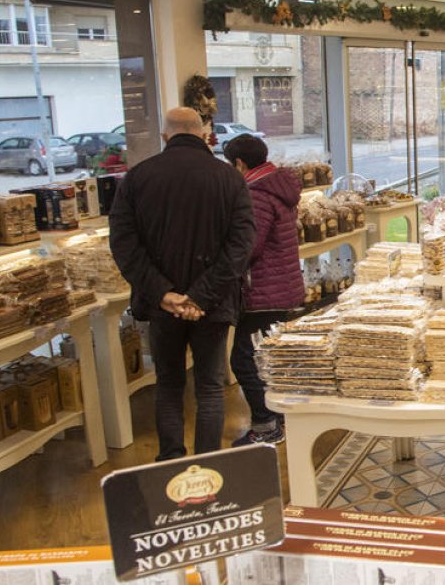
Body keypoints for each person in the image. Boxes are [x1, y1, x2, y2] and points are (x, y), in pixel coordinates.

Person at [109, 107, 256, 461]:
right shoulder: (229, 178)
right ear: (205, 135)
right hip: (214, 302)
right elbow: (241, 244)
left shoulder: (138, 178)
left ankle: (171, 463)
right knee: (209, 388)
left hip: (162, 307)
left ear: (165, 136)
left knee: (169, 385)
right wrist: (201, 296)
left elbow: (124, 244)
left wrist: (163, 294)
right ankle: (209, 464)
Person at [222, 134, 306, 446]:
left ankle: (266, 424)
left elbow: (251, 245)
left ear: (240, 163)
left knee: (244, 359)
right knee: (270, 357)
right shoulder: (278, 185)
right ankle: (281, 416)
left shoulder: (255, 193)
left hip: (263, 289)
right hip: (282, 284)